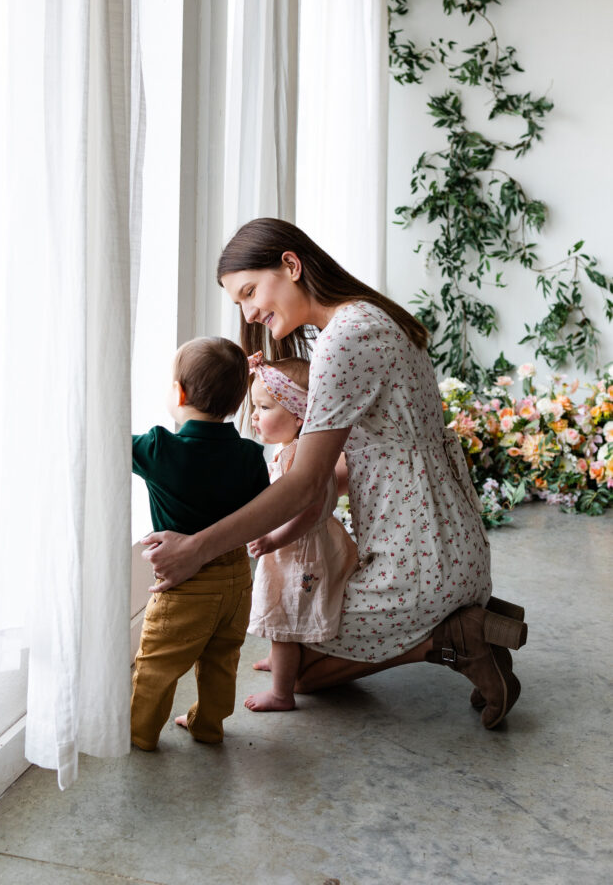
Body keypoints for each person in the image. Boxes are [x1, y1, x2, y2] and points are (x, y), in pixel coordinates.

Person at [140, 219, 527, 730]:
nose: (250, 312)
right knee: (289, 647)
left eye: (250, 291)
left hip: (419, 563)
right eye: (239, 303)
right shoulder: (365, 320)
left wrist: (198, 549)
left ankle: (456, 639)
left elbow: (306, 483)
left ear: (291, 266)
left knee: (295, 663)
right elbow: (349, 465)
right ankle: (463, 622)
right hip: (452, 548)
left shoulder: (345, 339)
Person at [130, 336, 269, 749]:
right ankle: (208, 725)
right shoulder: (249, 454)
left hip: (186, 587)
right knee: (221, 660)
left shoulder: (159, 448)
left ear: (178, 392)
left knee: (157, 665)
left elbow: (108, 438)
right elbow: (258, 509)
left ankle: (140, 734)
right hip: (236, 580)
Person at [244, 352, 358, 712]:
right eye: (254, 406)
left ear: (297, 417)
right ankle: (281, 661)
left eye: (263, 407)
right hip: (295, 549)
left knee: (287, 620)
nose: (254, 416)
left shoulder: (302, 459)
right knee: (282, 609)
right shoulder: (289, 450)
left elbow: (309, 512)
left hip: (299, 551)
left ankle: (282, 693)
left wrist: (273, 538)